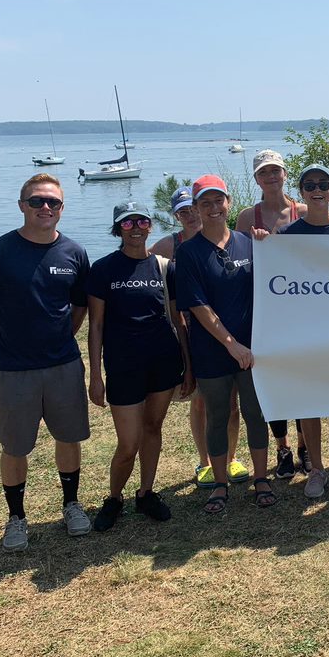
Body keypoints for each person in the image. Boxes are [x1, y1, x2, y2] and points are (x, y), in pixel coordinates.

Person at [0, 173, 92, 551]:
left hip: (63, 366)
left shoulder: (74, 253)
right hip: (14, 371)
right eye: (37, 201)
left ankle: (71, 505)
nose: (45, 208)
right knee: (15, 445)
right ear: (22, 206)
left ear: (62, 208)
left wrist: (62, 337)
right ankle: (16, 517)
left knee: (69, 438)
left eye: (53, 202)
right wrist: (0, 348)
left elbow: (80, 304)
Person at [87, 202, 192, 531]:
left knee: (153, 429)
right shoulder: (103, 270)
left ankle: (146, 492)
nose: (136, 227)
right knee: (128, 442)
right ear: (118, 229)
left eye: (142, 221)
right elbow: (97, 327)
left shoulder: (164, 268)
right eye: (127, 222)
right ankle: (114, 498)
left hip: (163, 361)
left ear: (149, 226)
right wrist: (94, 376)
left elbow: (179, 320)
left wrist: (188, 367)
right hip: (123, 367)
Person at [175, 175, 277, 514]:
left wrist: (268, 241)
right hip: (213, 352)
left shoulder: (250, 243)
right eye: (205, 203)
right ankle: (220, 485)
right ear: (196, 208)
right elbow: (198, 307)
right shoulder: (188, 253)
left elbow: (278, 281)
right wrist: (231, 344)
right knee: (217, 416)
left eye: (218, 201)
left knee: (254, 413)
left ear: (229, 203)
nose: (213, 208)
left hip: (255, 349)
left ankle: (261, 479)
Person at [276, 165, 329, 498]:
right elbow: (275, 282)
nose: (317, 190)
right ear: (301, 192)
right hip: (304, 335)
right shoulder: (286, 236)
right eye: (310, 185)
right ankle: (316, 470)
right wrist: (261, 244)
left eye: (323, 184)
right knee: (309, 403)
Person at [150, 188, 235, 488]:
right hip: (190, 331)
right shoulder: (168, 245)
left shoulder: (227, 240)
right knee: (201, 403)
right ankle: (205, 461)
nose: (189, 215)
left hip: (223, 331)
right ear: (176, 215)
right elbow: (143, 271)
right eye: (182, 211)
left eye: (191, 208)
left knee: (230, 403)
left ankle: (232, 457)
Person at [234, 149, 308, 479]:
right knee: (273, 381)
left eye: (276, 171)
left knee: (304, 379)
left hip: (301, 310)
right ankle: (283, 447)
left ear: (285, 174)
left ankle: (306, 446)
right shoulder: (247, 218)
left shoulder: (303, 211)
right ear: (257, 179)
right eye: (264, 173)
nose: (271, 177)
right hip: (263, 312)